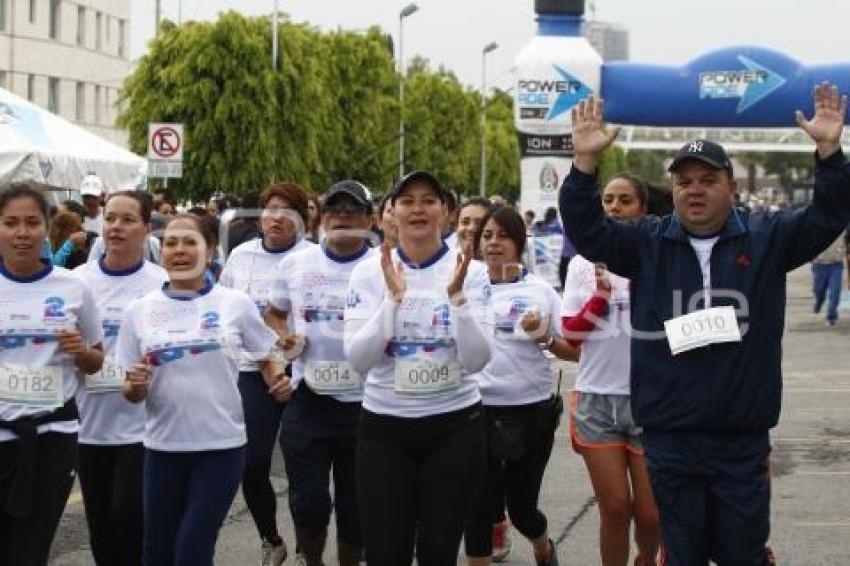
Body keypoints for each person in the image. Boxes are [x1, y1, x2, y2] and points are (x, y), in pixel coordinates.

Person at [559, 85, 850, 566]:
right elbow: (588, 231)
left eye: (707, 179)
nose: (694, 189)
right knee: (683, 555)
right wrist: (585, 165)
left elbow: (827, 216)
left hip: (740, 440)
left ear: (731, 189)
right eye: (684, 181)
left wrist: (829, 152)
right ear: (672, 190)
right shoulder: (647, 244)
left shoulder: (767, 239)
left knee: (743, 553)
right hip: (671, 440)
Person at [116, 213, 291, 566]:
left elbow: (265, 351)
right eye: (171, 243)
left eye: (190, 242)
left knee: (192, 552)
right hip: (162, 449)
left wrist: (276, 378)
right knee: (157, 555)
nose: (179, 250)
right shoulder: (139, 311)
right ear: (161, 251)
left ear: (209, 251)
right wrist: (135, 386)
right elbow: (130, 391)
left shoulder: (233, 304)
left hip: (220, 449)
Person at [345, 171, 492, 565]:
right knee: (384, 553)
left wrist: (458, 300)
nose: (418, 209)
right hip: (384, 429)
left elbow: (477, 360)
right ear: (390, 213)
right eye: (407, 201)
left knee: (437, 553)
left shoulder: (472, 272)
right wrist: (393, 301)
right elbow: (359, 360)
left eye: (429, 200)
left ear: (446, 212)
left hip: (455, 427)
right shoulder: (368, 272)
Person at [265, 180, 376, 565]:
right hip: (308, 399)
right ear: (321, 217)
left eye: (353, 211)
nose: (343, 217)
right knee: (309, 502)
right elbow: (275, 311)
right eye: (335, 210)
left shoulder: (384, 267)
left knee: (356, 508)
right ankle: (309, 559)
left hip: (366, 403)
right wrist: (285, 338)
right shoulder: (296, 263)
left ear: (370, 219)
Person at [464, 206, 576, 566]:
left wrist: (544, 337)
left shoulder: (540, 290)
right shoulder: (463, 286)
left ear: (519, 242)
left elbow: (573, 351)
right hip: (474, 410)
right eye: (487, 235)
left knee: (523, 509)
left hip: (530, 414)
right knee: (479, 507)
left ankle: (543, 548)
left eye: (504, 236)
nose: (494, 243)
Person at [0, 183, 104, 565]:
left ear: (46, 227)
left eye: (31, 222)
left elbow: (96, 361)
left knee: (30, 549)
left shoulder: (74, 286)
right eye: (11, 223)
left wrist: (81, 352)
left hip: (52, 433)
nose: (22, 232)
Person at [561, 173, 660, 566]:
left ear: (643, 209)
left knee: (652, 514)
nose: (615, 208)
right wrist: (601, 297)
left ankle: (646, 561)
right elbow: (570, 333)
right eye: (608, 200)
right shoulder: (583, 264)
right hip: (597, 400)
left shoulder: (659, 256)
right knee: (616, 508)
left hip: (652, 399)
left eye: (625, 201)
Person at [218, 182, 315, 565]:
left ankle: (310, 542)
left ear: (302, 220)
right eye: (270, 209)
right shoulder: (241, 256)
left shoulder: (313, 258)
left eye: (287, 211)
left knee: (302, 468)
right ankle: (270, 538)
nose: (276, 218)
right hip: (251, 372)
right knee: (252, 464)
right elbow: (224, 312)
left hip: (301, 371)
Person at [73, 191, 168, 566]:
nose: (116, 227)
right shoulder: (76, 281)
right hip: (88, 422)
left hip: (141, 424)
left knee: (128, 513)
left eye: (127, 220)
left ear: (146, 228)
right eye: (111, 218)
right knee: (99, 522)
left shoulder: (161, 283)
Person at [811, 229, 848, 325]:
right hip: (820, 264)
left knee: (835, 291)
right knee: (818, 290)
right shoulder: (817, 225)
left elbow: (847, 241)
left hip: (836, 265)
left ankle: (832, 316)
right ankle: (819, 300)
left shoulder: (844, 226)